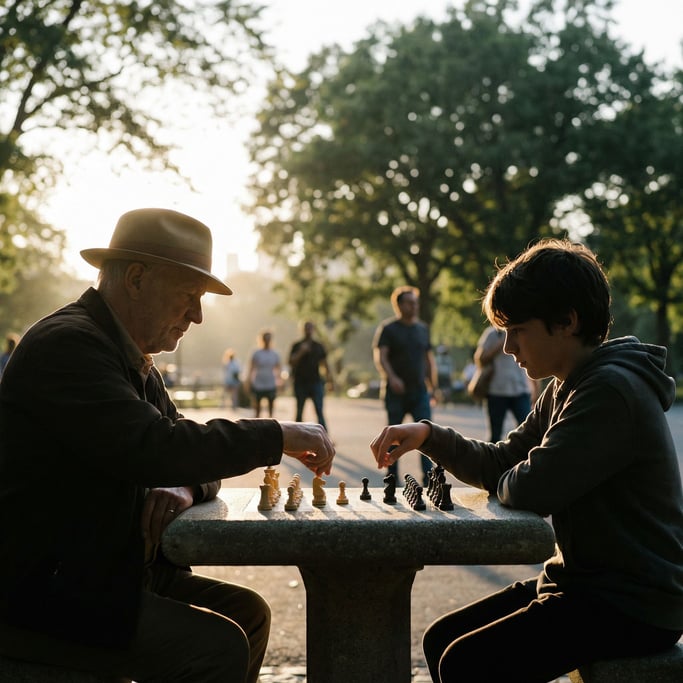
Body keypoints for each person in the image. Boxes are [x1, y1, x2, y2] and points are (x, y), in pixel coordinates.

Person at [0, 208, 335, 683]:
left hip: (103, 572)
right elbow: (155, 447)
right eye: (189, 295)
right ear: (136, 278)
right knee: (215, 647)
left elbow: (182, 454)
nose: (197, 316)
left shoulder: (131, 357)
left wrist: (183, 486)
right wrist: (274, 435)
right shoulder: (68, 346)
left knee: (250, 614)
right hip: (44, 588)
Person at [370, 238, 683, 683]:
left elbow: (534, 486)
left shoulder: (610, 391)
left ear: (566, 322)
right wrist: (428, 436)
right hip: (583, 584)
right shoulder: (565, 385)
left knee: (465, 663)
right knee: (441, 639)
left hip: (632, 602)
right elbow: (505, 460)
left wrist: (519, 473)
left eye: (516, 330)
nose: (507, 347)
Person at [373, 285, 438, 485]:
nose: (414, 307)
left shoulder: (422, 329)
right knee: (393, 437)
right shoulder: (388, 328)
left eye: (416, 303)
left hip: (419, 391)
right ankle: (392, 477)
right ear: (399, 305)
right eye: (410, 303)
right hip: (396, 393)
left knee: (426, 435)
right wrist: (392, 377)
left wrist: (433, 387)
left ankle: (429, 479)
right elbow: (381, 357)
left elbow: (428, 359)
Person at [474, 324, 538, 441]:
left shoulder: (522, 331)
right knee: (495, 435)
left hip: (520, 390)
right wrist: (502, 343)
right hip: (496, 391)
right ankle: (494, 459)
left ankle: (525, 458)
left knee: (528, 433)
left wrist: (536, 390)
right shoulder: (492, 334)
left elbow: (533, 360)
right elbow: (480, 359)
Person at [288, 321, 334, 431]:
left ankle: (325, 438)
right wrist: (301, 352)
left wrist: (330, 381)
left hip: (316, 382)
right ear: (302, 329)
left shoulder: (318, 346)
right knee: (299, 412)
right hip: (300, 382)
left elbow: (325, 364)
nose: (308, 330)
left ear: (313, 329)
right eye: (306, 328)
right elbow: (290, 362)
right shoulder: (297, 345)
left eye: (310, 328)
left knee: (319, 411)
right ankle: (296, 439)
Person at [248, 330, 281, 418]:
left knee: (271, 408)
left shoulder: (275, 354)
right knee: (257, 409)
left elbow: (278, 369)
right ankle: (256, 427)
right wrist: (249, 381)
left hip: (270, 383)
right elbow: (251, 368)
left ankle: (271, 427)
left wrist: (280, 382)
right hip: (258, 383)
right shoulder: (256, 353)